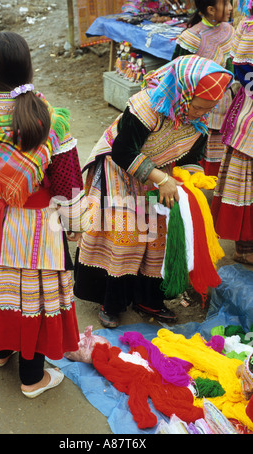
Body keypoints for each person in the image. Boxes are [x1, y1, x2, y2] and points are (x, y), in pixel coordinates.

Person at [0, 32, 90, 397]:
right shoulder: (49, 120)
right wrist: (76, 226)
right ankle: (32, 379)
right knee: (35, 300)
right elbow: (68, 185)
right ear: (29, 69)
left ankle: (0, 353)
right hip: (38, 230)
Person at [74, 55, 233, 328]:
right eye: (197, 106)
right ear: (184, 93)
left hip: (158, 176)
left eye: (210, 107)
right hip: (119, 168)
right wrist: (162, 178)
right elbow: (123, 151)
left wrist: (191, 181)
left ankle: (148, 300)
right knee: (125, 235)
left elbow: (189, 158)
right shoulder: (147, 106)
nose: (201, 113)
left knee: (158, 235)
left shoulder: (197, 122)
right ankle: (110, 302)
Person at [172, 0, 235, 176]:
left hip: (223, 106)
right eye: (227, 4)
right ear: (210, 10)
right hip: (195, 110)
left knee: (218, 152)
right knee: (193, 153)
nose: (231, 8)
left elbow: (232, 69)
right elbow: (176, 73)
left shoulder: (229, 31)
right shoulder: (191, 37)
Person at [211, 1, 253, 266]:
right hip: (250, 107)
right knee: (246, 179)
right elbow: (243, 69)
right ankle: (245, 247)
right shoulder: (250, 26)